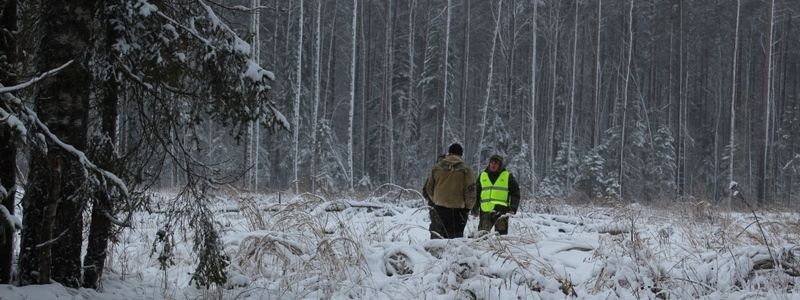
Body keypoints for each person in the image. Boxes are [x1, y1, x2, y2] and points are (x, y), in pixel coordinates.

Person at [424, 143, 476, 239]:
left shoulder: (436, 168)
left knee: (438, 240)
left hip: (439, 208)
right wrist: (468, 208)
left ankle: (434, 254)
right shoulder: (466, 170)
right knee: (455, 242)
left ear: (449, 153)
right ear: (461, 154)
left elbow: (429, 188)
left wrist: (436, 200)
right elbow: (471, 191)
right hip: (458, 211)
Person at [471, 154, 520, 235]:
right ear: (489, 163)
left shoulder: (507, 176)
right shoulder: (483, 175)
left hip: (502, 211)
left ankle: (498, 248)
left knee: (501, 238)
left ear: (500, 165)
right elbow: (477, 193)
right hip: (485, 210)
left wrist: (513, 207)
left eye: (496, 163)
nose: (493, 165)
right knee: (482, 236)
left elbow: (515, 192)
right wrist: (475, 208)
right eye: (492, 163)